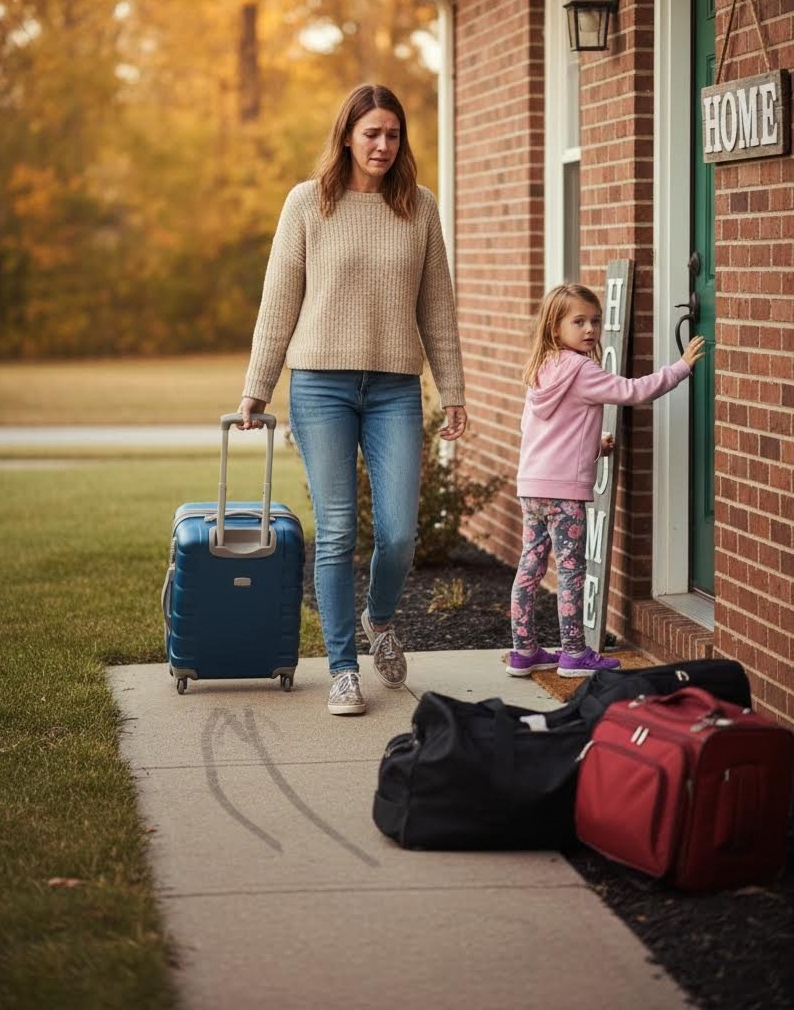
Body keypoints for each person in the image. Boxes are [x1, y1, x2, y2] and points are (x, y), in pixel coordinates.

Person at [238, 84, 467, 715]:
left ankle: (380, 619)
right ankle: (343, 669)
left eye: (393, 134)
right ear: (346, 136)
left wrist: (453, 391)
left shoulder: (419, 207)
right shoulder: (307, 203)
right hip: (321, 386)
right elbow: (278, 301)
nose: (383, 145)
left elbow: (437, 308)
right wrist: (257, 387)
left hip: (395, 388)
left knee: (399, 533)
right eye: (372, 133)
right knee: (337, 532)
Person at [506, 282, 705, 678]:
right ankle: (573, 653)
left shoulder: (541, 369)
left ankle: (523, 650)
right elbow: (633, 391)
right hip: (564, 493)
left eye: (595, 321)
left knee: (530, 565)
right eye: (578, 321)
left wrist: (592, 444)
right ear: (554, 327)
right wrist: (680, 368)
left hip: (532, 486)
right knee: (570, 570)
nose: (590, 329)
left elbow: (536, 429)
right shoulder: (582, 369)